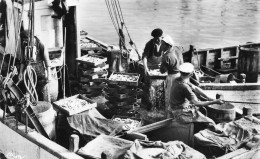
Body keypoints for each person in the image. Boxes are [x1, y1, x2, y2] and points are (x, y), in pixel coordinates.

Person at [169, 62, 223, 129]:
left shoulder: (177, 80)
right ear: (191, 74)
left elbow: (195, 88)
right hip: (180, 114)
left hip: (176, 109)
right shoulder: (184, 86)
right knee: (211, 123)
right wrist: (215, 102)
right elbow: (197, 103)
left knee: (201, 110)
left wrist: (209, 98)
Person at [160, 35, 194, 117]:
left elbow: (162, 71)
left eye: (163, 45)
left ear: (168, 45)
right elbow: (183, 48)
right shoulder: (177, 48)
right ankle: (181, 112)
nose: (161, 46)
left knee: (170, 97)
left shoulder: (166, 56)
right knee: (182, 97)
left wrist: (162, 61)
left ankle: (169, 116)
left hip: (173, 77)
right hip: (182, 75)